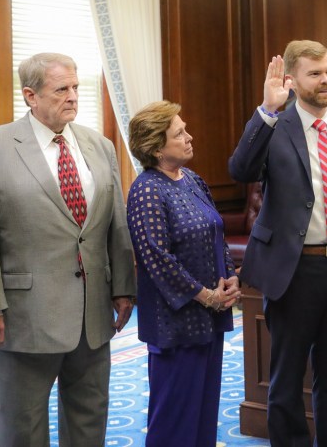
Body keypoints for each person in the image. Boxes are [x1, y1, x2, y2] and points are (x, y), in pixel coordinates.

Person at [229, 39, 327, 447]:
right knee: (286, 381)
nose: (325, 81)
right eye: (314, 74)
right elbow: (240, 168)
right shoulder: (274, 129)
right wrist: (266, 110)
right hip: (294, 271)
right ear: (292, 80)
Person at [0, 52, 136, 446]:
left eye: (76, 87)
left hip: (92, 315)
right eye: (62, 89)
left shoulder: (99, 145)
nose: (73, 96)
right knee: (22, 428)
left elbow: (116, 223)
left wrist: (124, 287)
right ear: (30, 95)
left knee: (89, 419)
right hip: (23, 318)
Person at [125, 100, 241, 446]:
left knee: (204, 411)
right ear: (157, 148)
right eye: (179, 133)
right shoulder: (146, 189)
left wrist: (230, 277)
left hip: (210, 316)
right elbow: (156, 258)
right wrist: (207, 296)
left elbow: (215, 230)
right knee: (174, 417)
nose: (189, 136)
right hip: (176, 322)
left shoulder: (191, 178)